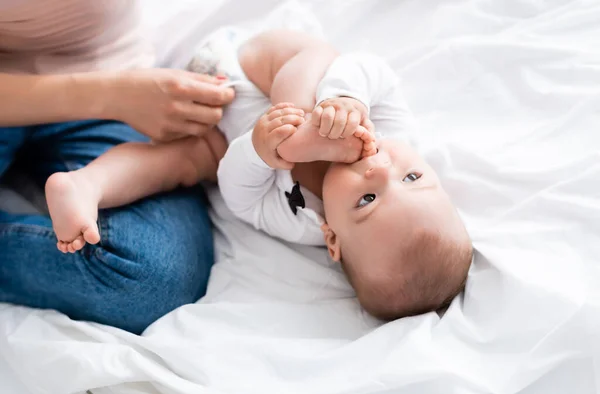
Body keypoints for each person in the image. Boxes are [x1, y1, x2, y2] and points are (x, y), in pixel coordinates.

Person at [44, 27, 473, 320]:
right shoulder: (393, 131)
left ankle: (86, 185)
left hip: (215, 123)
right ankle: (302, 121)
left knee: (187, 164)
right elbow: (372, 70)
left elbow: (242, 197)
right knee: (317, 60)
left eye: (368, 200)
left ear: (332, 237)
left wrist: (262, 152)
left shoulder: (301, 220)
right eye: (412, 178)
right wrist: (346, 99)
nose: (380, 169)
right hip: (249, 67)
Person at [0, 0, 234, 334]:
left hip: (117, 87)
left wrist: (122, 95)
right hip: (114, 94)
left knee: (149, 281)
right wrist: (112, 95)